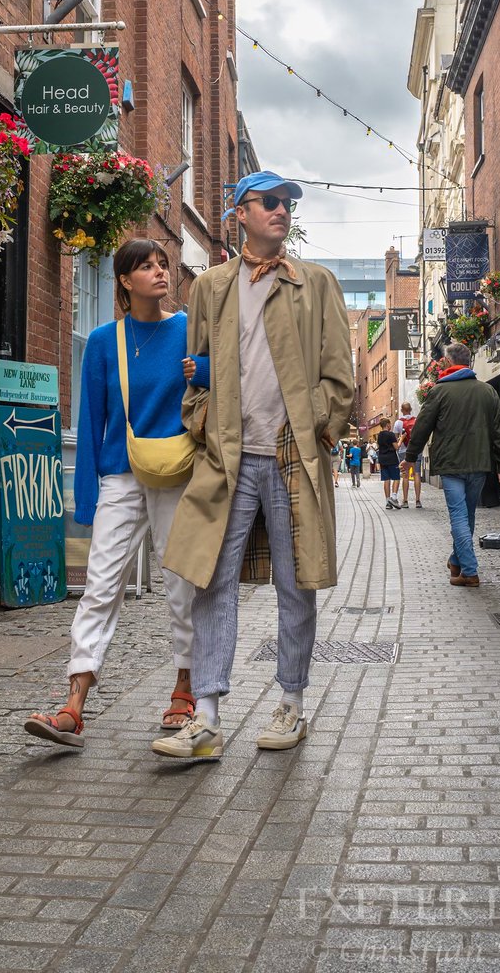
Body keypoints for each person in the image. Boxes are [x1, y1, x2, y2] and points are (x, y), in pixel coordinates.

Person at [152, 171, 353, 760]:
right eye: (268, 202)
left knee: (297, 585)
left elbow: (340, 379)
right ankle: (207, 717)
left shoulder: (316, 283)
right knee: (211, 581)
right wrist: (205, 417)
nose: (281, 211)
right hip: (229, 460)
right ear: (240, 212)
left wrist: (310, 422)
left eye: (287, 203)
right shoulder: (211, 287)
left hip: (294, 459)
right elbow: (197, 371)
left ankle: (291, 704)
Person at [24, 238, 208, 747]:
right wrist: (84, 495)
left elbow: (222, 387)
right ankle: (73, 704)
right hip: (120, 474)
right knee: (101, 584)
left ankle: (184, 689)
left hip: (178, 471)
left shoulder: (191, 329)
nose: (159, 272)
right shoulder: (106, 341)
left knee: (180, 583)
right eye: (146, 266)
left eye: (163, 264)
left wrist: (206, 370)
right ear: (124, 281)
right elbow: (91, 419)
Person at [401, 341, 500, 588]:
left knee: (459, 517)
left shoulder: (439, 392)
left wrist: (410, 457)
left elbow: (422, 427)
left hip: (451, 466)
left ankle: (470, 571)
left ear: (448, 362)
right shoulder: (487, 392)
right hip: (479, 464)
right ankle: (455, 561)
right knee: (467, 515)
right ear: (469, 362)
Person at [393, 402, 422, 508]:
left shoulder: (398, 423)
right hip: (416, 450)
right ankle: (418, 501)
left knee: (405, 475)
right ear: (411, 409)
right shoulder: (417, 421)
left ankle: (405, 501)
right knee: (416, 474)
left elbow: (396, 439)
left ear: (401, 410)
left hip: (403, 451)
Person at [376, 417, 401, 509]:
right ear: (387, 425)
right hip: (391, 458)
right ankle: (394, 497)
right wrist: (401, 439)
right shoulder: (391, 435)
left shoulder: (379, 435)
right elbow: (396, 447)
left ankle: (387, 502)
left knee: (386, 479)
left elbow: (379, 446)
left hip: (382, 459)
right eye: (390, 424)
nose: (391, 426)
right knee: (396, 477)